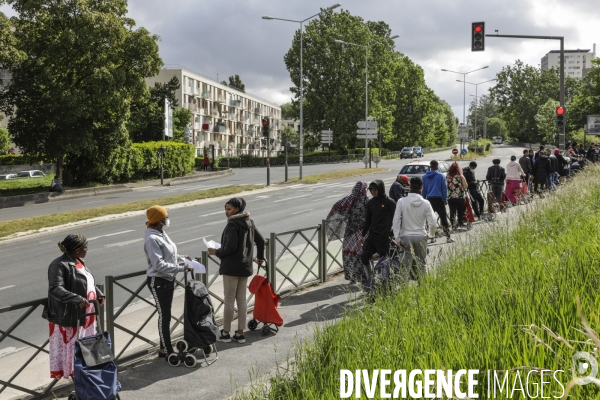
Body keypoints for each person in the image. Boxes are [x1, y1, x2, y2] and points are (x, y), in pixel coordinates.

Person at [46, 234, 105, 380]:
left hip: (86, 317)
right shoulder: (59, 264)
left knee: (86, 351)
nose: (87, 249)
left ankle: (88, 383)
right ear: (77, 249)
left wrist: (98, 293)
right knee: (74, 353)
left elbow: (87, 281)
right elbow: (55, 289)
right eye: (85, 247)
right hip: (71, 318)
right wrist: (77, 299)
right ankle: (79, 385)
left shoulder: (79, 261)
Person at [208, 198, 265, 344]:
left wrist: (216, 252)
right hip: (245, 267)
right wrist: (260, 257)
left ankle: (226, 333)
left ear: (237, 209)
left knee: (229, 300)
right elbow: (260, 240)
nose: (226, 212)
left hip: (231, 267)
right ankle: (240, 333)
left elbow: (230, 248)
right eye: (226, 209)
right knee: (241, 300)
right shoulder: (249, 222)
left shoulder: (233, 224)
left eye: (229, 209)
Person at [144, 205, 194, 359]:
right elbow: (158, 265)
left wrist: (182, 258)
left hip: (167, 280)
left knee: (166, 315)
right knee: (164, 316)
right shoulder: (151, 238)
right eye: (165, 216)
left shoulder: (161, 232)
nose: (167, 219)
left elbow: (170, 253)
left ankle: (163, 348)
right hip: (158, 281)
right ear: (159, 220)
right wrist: (181, 267)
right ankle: (167, 350)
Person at [392, 177, 436, 280]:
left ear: (409, 187)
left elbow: (396, 221)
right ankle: (423, 286)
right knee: (422, 264)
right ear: (421, 189)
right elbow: (433, 223)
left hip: (406, 237)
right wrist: (430, 234)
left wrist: (397, 238)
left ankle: (404, 288)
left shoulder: (401, 201)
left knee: (405, 265)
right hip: (421, 236)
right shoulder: (426, 203)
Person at [325, 182, 369, 284]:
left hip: (350, 233)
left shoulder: (350, 199)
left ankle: (353, 277)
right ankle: (364, 277)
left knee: (349, 254)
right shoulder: (366, 201)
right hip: (363, 233)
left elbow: (337, 207)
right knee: (362, 255)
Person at [359, 180, 396, 284]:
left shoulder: (390, 202)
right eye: (371, 190)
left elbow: (397, 219)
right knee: (364, 257)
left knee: (385, 261)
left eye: (375, 190)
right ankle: (370, 279)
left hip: (384, 237)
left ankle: (386, 282)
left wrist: (393, 233)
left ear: (380, 189)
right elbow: (368, 220)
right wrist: (362, 235)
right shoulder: (370, 203)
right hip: (372, 236)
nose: (373, 192)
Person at [422, 160, 453, 243]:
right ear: (436, 166)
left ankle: (432, 237)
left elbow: (424, 190)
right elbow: (444, 189)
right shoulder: (441, 176)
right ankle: (448, 237)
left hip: (429, 199)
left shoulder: (424, 177)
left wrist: (423, 199)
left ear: (430, 166)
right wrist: (445, 199)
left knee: (430, 219)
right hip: (438, 199)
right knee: (443, 218)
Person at [446, 162, 468, 230]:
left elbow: (446, 185)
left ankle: (453, 225)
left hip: (450, 197)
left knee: (452, 212)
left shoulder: (447, 176)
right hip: (460, 196)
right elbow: (465, 186)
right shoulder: (460, 176)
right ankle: (460, 224)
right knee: (460, 211)